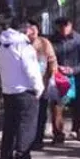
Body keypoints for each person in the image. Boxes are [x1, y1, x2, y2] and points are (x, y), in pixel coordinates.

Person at [0, 21, 45, 159]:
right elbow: (32, 70)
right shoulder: (24, 47)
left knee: (9, 126)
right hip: (25, 91)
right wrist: (39, 88)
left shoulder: (3, 46)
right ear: (27, 31)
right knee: (27, 126)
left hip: (9, 91)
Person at [49, 17, 80, 143]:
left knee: (78, 105)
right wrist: (56, 67)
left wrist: (74, 69)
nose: (63, 28)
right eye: (60, 26)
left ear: (71, 25)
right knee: (58, 104)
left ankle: (78, 128)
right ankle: (58, 133)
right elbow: (49, 57)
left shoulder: (79, 40)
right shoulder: (53, 40)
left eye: (65, 25)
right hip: (59, 77)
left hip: (76, 77)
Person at [27, 19, 57, 150]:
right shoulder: (22, 44)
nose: (32, 32)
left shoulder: (44, 43)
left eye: (34, 29)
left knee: (41, 113)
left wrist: (52, 75)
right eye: (29, 29)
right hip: (27, 85)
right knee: (28, 114)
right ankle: (27, 139)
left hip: (43, 83)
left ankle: (38, 139)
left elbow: (52, 60)